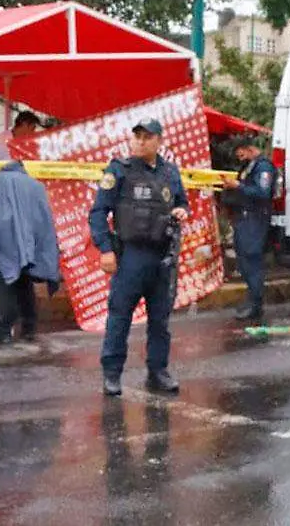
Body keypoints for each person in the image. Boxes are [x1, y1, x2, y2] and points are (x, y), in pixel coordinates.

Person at [89, 118, 189, 397]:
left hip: (162, 255)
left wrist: (182, 210)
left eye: (147, 137)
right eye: (137, 137)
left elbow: (181, 201)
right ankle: (112, 374)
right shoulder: (120, 170)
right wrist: (106, 249)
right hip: (131, 254)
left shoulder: (169, 172)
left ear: (159, 140)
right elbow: (98, 212)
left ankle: (158, 371)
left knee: (160, 319)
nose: (140, 142)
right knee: (120, 315)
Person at [0, 161, 61, 344]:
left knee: (6, 283)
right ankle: (29, 327)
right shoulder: (36, 186)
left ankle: (4, 330)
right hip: (29, 244)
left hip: (3, 242)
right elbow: (44, 218)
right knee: (25, 283)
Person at [221, 137, 278, 321]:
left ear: (250, 148)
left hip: (255, 220)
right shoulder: (249, 167)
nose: (240, 158)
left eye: (242, 153)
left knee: (252, 261)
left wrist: (238, 186)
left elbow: (262, 193)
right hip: (243, 219)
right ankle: (252, 299)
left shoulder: (263, 167)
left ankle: (256, 305)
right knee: (243, 261)